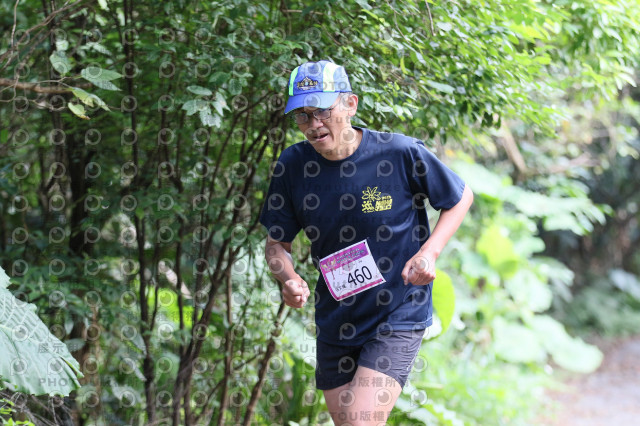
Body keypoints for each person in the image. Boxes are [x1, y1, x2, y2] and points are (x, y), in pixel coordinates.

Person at [260, 60, 473, 426]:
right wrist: (289, 278)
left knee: (361, 421)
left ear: (350, 104)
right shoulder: (294, 165)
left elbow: (460, 196)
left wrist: (429, 253)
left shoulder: (398, 153)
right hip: (337, 319)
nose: (313, 124)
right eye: (302, 116)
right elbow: (275, 245)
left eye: (322, 111)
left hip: (398, 311)